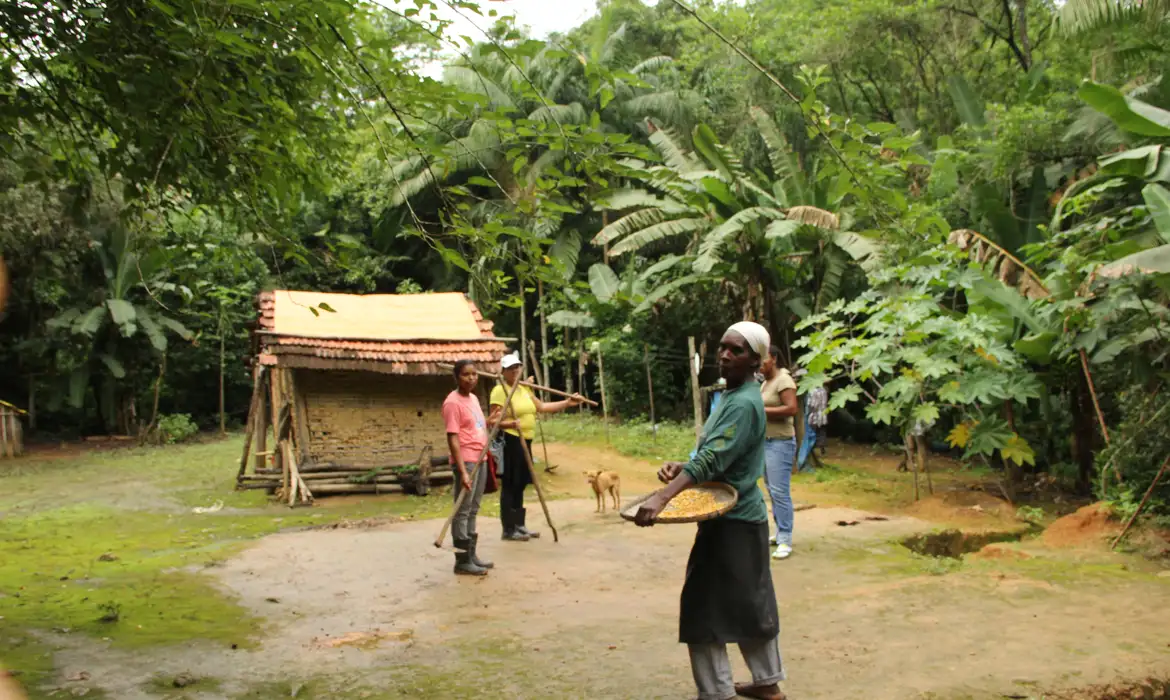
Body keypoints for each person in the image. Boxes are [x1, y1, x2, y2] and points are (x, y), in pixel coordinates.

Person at [634, 322, 788, 700]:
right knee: (750, 602)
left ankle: (717, 692)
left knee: (702, 610)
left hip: (733, 521)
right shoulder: (731, 396)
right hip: (734, 518)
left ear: (755, 360)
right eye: (723, 347)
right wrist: (682, 466)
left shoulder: (744, 403)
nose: (724, 355)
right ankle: (767, 681)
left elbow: (712, 460)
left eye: (736, 350)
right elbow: (714, 454)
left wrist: (662, 497)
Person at [489, 352, 582, 541]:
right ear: (503, 371)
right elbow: (494, 421)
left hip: (526, 440)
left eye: (517, 367)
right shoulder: (500, 390)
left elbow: (542, 407)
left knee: (521, 483)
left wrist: (567, 403)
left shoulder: (524, 389)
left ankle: (520, 525)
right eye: (510, 368)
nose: (515, 371)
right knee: (511, 483)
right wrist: (509, 424)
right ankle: (509, 529)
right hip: (511, 440)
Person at [442, 359, 493, 576]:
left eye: (474, 374)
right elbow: (453, 437)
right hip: (467, 461)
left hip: (481, 457)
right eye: (466, 374)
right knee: (462, 511)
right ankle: (462, 560)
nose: (471, 378)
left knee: (473, 508)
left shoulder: (473, 398)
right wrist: (463, 471)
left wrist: (491, 421)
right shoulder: (452, 403)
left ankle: (471, 555)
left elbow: (476, 426)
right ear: (456, 377)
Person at [760, 346, 798, 560]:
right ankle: (780, 531)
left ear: (773, 359)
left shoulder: (784, 380)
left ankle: (785, 539)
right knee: (772, 491)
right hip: (766, 442)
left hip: (780, 443)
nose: (760, 364)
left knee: (780, 492)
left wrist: (761, 410)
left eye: (764, 360)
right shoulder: (766, 382)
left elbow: (791, 408)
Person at [797, 380, 829, 473]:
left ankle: (803, 463)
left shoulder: (819, 390)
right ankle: (801, 464)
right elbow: (811, 406)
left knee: (811, 438)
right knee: (809, 438)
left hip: (815, 418)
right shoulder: (815, 390)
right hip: (813, 418)